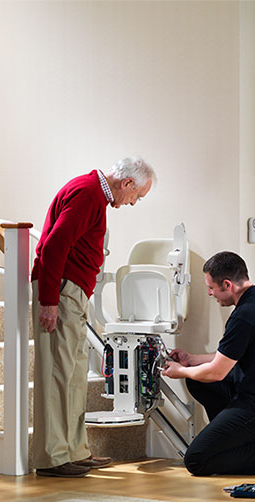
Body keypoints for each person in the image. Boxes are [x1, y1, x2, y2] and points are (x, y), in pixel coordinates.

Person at [31, 157, 155, 478]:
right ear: (126, 184)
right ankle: (53, 457)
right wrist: (48, 300)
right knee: (58, 374)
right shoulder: (87, 194)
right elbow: (54, 245)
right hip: (61, 291)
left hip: (73, 292)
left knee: (72, 375)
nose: (133, 203)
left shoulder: (94, 196)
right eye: (137, 196)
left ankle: (74, 450)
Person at [161, 251, 255, 476]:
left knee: (196, 460)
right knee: (198, 381)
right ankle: (236, 441)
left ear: (227, 285)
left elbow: (217, 372)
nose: (209, 293)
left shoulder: (245, 315)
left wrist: (180, 372)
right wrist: (190, 361)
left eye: (211, 288)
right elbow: (227, 357)